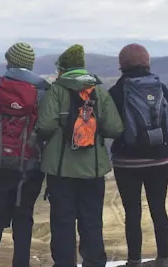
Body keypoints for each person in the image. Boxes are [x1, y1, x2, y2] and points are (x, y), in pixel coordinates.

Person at [36, 44, 124, 267]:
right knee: (91, 222)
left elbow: (44, 126)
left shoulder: (56, 91)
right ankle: (94, 262)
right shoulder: (99, 92)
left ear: (62, 69)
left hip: (60, 170)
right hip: (93, 171)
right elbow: (115, 129)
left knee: (63, 222)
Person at [0, 42, 51, 267]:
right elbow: (46, 127)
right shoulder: (44, 89)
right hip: (29, 166)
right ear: (30, 63)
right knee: (23, 219)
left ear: (9, 61)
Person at [108, 43, 168, 267]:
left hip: (127, 162)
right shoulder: (161, 88)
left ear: (122, 64)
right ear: (147, 62)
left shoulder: (117, 92)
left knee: (132, 212)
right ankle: (164, 260)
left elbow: (109, 127)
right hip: (160, 160)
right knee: (159, 209)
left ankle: (134, 261)